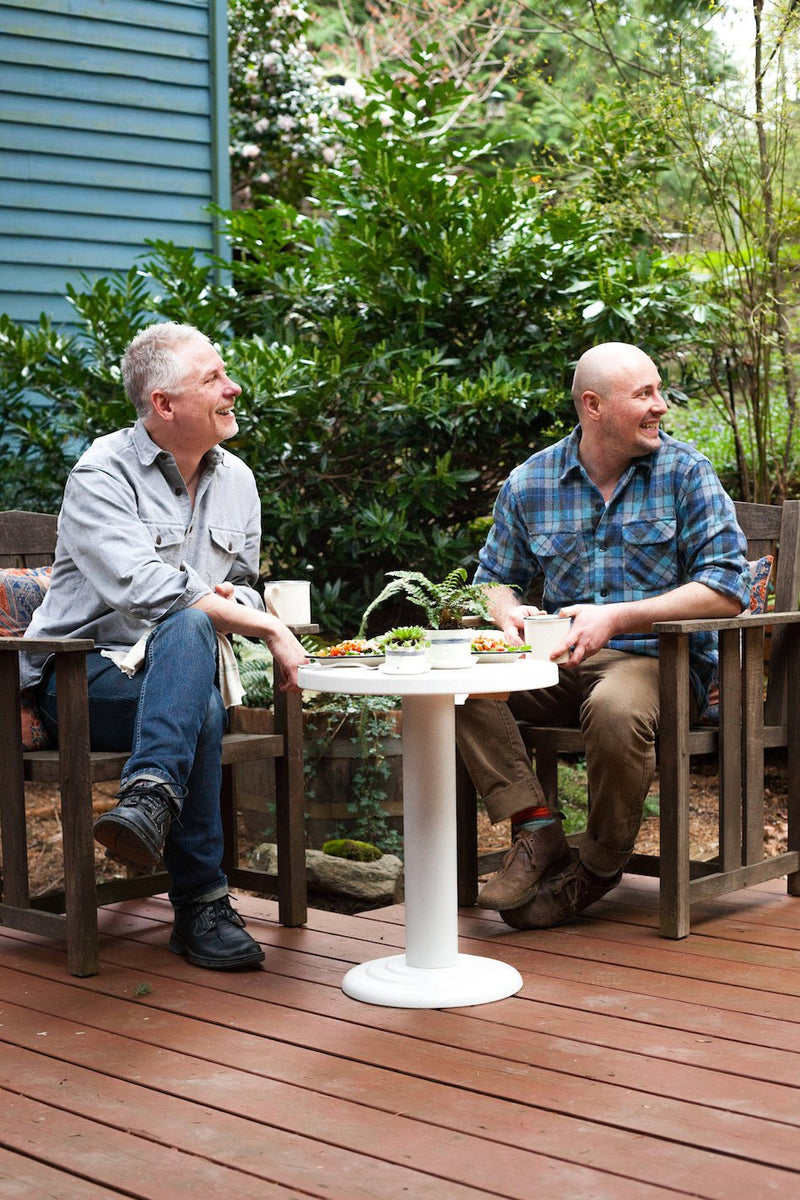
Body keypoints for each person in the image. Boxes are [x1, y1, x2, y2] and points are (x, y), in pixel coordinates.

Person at [21, 322, 309, 971]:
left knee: (194, 675)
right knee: (187, 637)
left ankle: (149, 799)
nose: (233, 387)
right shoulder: (101, 474)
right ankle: (203, 904)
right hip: (83, 678)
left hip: (177, 678)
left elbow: (240, 589)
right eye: (213, 378)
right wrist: (268, 626)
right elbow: (148, 589)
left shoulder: (237, 480)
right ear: (164, 404)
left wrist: (248, 608)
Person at [456, 341, 750, 928]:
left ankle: (596, 866)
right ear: (593, 405)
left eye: (658, 391)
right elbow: (490, 579)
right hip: (559, 660)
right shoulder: (531, 481)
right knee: (458, 685)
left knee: (615, 709)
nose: (660, 406)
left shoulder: (685, 473)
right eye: (645, 394)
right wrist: (506, 612)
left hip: (657, 662)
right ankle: (536, 826)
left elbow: (725, 587)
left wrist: (616, 617)